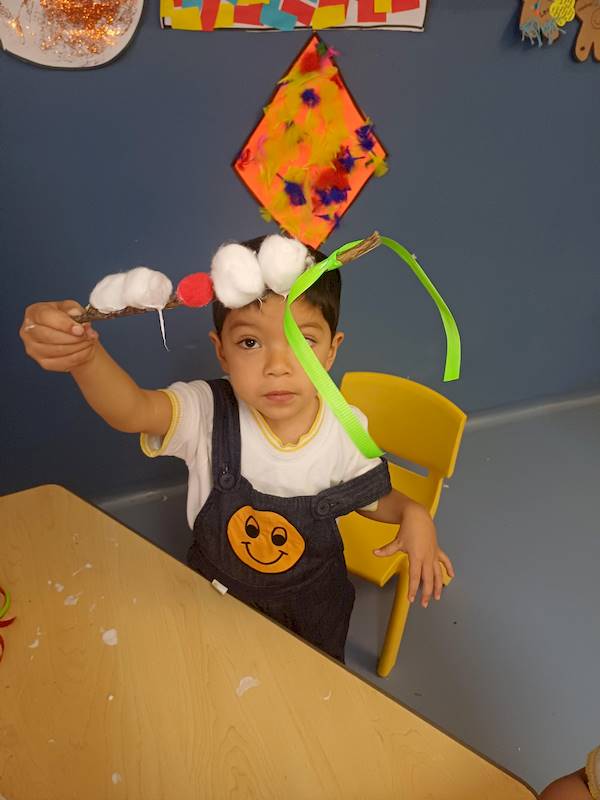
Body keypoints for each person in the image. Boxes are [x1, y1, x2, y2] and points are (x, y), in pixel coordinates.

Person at [19, 234, 454, 662]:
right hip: (216, 593)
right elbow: (133, 410)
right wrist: (84, 358)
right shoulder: (206, 411)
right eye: (250, 343)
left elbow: (370, 497)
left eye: (303, 340)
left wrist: (412, 513)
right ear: (222, 352)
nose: (278, 366)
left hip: (312, 605)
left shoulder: (345, 427)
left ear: (330, 352)